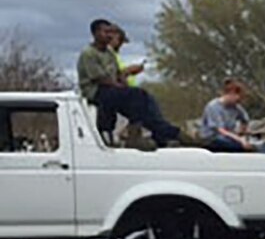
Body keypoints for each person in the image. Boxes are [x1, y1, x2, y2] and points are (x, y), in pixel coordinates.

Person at [77, 19, 189, 147]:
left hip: (112, 90)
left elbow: (118, 74)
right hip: (96, 91)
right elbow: (100, 79)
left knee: (144, 103)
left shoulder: (109, 53)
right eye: (105, 31)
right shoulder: (89, 53)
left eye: (110, 32)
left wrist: (124, 84)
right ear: (95, 33)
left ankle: (168, 134)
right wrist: (123, 88)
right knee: (135, 95)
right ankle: (133, 138)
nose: (109, 35)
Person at [201, 79, 253, 152]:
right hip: (213, 138)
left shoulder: (236, 108)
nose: (238, 103)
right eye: (238, 100)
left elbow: (245, 120)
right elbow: (221, 130)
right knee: (237, 147)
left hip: (228, 138)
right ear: (232, 93)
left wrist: (243, 133)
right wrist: (240, 140)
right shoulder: (213, 107)